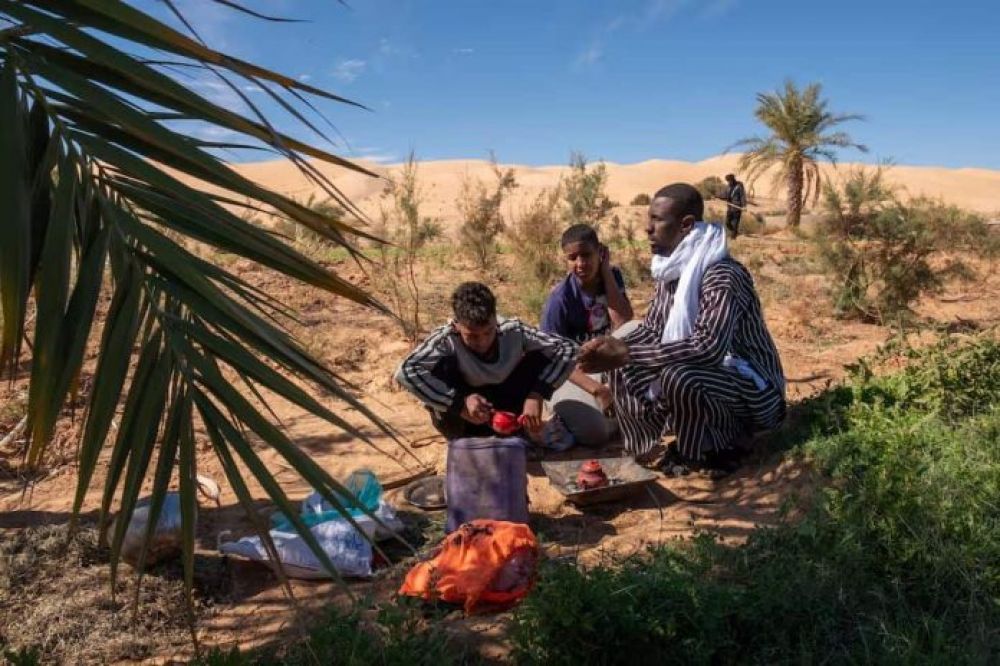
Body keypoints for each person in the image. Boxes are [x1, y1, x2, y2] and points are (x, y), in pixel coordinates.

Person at [578, 183, 785, 476]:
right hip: (710, 378)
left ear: (686, 225)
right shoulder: (672, 272)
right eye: (647, 218)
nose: (647, 228)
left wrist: (627, 352)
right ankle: (643, 445)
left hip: (755, 391)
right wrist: (608, 347)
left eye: (657, 220)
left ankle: (717, 446)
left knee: (679, 375)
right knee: (621, 365)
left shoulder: (721, 275)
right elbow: (652, 330)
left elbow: (708, 348)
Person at [395, 281, 577, 441]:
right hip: (465, 413)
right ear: (457, 325)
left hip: (506, 401)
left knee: (540, 353)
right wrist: (459, 403)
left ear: (495, 319)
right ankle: (462, 437)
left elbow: (567, 348)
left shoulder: (513, 330)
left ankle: (514, 428)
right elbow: (406, 371)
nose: (482, 342)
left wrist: (537, 394)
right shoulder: (446, 338)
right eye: (472, 336)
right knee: (438, 366)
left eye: (488, 332)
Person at [540, 225, 633, 443]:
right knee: (595, 433)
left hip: (606, 363)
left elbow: (622, 322)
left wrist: (607, 271)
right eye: (573, 258)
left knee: (636, 329)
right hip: (572, 375)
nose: (581, 264)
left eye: (587, 255)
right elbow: (553, 359)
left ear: (600, 252)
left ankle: (622, 414)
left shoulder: (612, 276)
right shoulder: (560, 299)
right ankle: (619, 417)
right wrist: (598, 390)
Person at [722, 173, 746, 238]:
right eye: (728, 181)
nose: (729, 182)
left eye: (729, 181)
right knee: (727, 223)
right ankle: (735, 232)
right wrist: (716, 196)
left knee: (735, 223)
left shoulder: (739, 186)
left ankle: (733, 236)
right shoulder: (728, 187)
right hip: (730, 208)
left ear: (733, 180)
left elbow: (742, 196)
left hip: (737, 208)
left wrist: (744, 206)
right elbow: (724, 195)